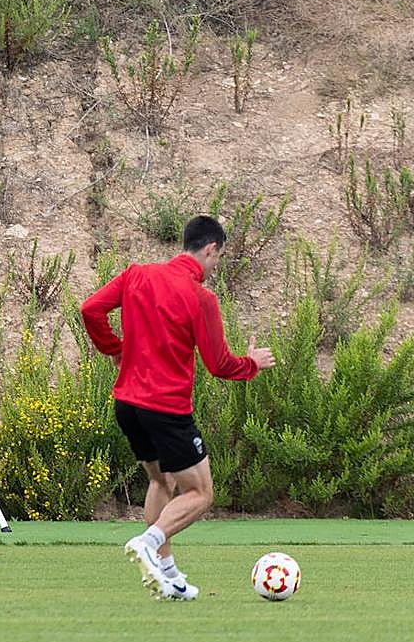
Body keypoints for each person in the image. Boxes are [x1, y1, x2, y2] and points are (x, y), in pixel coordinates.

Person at [81, 215, 275, 600]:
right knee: (200, 493)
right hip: (166, 409)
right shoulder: (201, 298)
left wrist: (115, 349)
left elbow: (90, 310)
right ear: (211, 249)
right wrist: (252, 364)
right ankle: (148, 542)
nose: (215, 265)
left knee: (161, 482)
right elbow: (219, 364)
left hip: (127, 406)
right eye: (218, 257)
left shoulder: (137, 275)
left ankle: (168, 575)